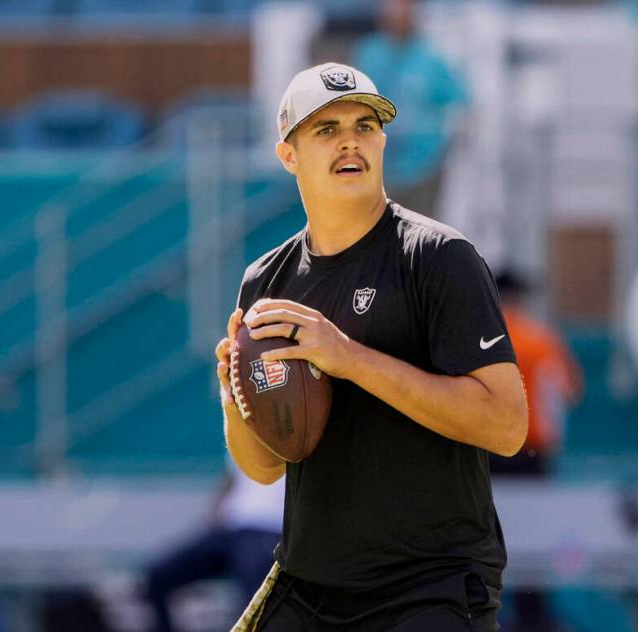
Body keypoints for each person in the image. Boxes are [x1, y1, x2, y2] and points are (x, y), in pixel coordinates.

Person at [213, 62, 528, 631]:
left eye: (364, 125)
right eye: (326, 129)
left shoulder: (438, 257)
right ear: (289, 154)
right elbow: (264, 468)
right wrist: (235, 398)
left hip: (429, 585)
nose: (350, 141)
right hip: (311, 586)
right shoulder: (266, 280)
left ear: (382, 141)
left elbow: (506, 426)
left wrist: (350, 360)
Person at [489, 270, 584, 632]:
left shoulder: (477, 338)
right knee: (534, 540)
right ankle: (533, 617)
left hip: (486, 452)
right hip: (531, 455)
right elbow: (568, 391)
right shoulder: (541, 339)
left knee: (486, 536)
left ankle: (486, 613)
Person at [349, 0, 469, 215]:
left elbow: (460, 103)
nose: (398, 12)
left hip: (424, 167)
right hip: (378, 168)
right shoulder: (368, 54)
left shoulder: (432, 58)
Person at [143, 467, 283, 632]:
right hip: (229, 529)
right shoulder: (246, 442)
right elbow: (231, 478)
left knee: (256, 600)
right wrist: (214, 517)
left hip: (269, 528)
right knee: (156, 576)